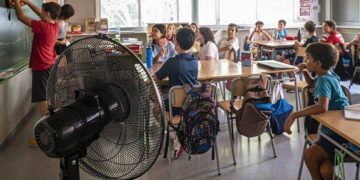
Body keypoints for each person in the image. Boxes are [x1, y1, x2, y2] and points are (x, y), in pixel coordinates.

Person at [284, 43, 350, 180]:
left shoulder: (323, 80)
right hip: (340, 125)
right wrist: (305, 71)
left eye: (307, 58)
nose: (304, 60)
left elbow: (322, 107)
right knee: (326, 170)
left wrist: (294, 114)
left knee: (309, 155)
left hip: (337, 132)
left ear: (318, 63)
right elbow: (313, 84)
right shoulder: (328, 74)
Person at [13, 0, 60, 146]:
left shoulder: (43, 27)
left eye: (43, 11)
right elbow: (40, 12)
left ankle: (48, 133)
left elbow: (21, 17)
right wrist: (27, 1)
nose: (40, 12)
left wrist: (15, 3)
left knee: (42, 100)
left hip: (41, 66)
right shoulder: (54, 26)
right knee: (46, 98)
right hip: (49, 65)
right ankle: (52, 129)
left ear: (47, 13)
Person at [154, 28, 198, 159]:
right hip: (191, 104)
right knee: (171, 94)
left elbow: (157, 78)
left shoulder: (172, 62)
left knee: (155, 110)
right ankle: (179, 134)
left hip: (175, 106)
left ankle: (176, 136)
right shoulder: (195, 61)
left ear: (176, 42)